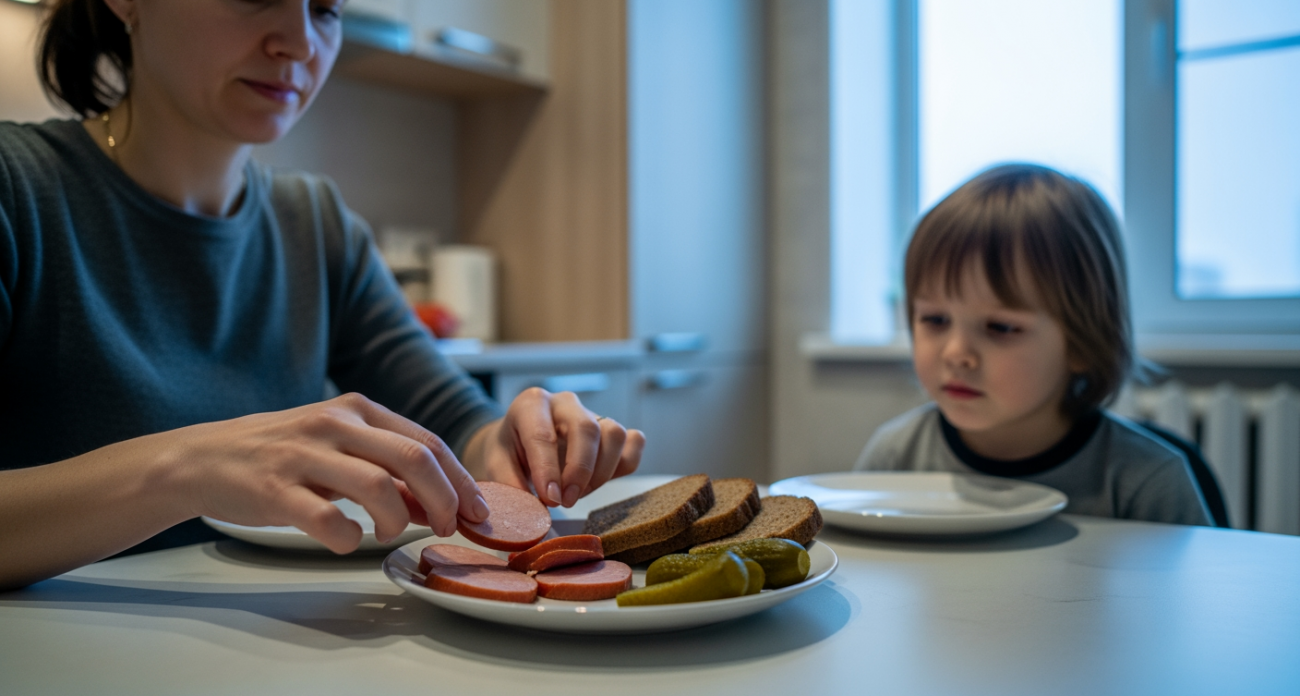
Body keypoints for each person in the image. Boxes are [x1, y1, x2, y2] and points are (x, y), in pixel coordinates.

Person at [0, 0, 644, 590]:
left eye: (327, 8)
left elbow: (452, 421)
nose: (301, 42)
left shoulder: (314, 223)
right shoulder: (17, 190)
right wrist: (187, 467)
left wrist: (505, 443)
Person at [854, 164, 1211, 526]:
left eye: (1001, 327)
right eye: (935, 320)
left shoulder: (1146, 482)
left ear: (1081, 344)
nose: (956, 353)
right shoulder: (896, 456)